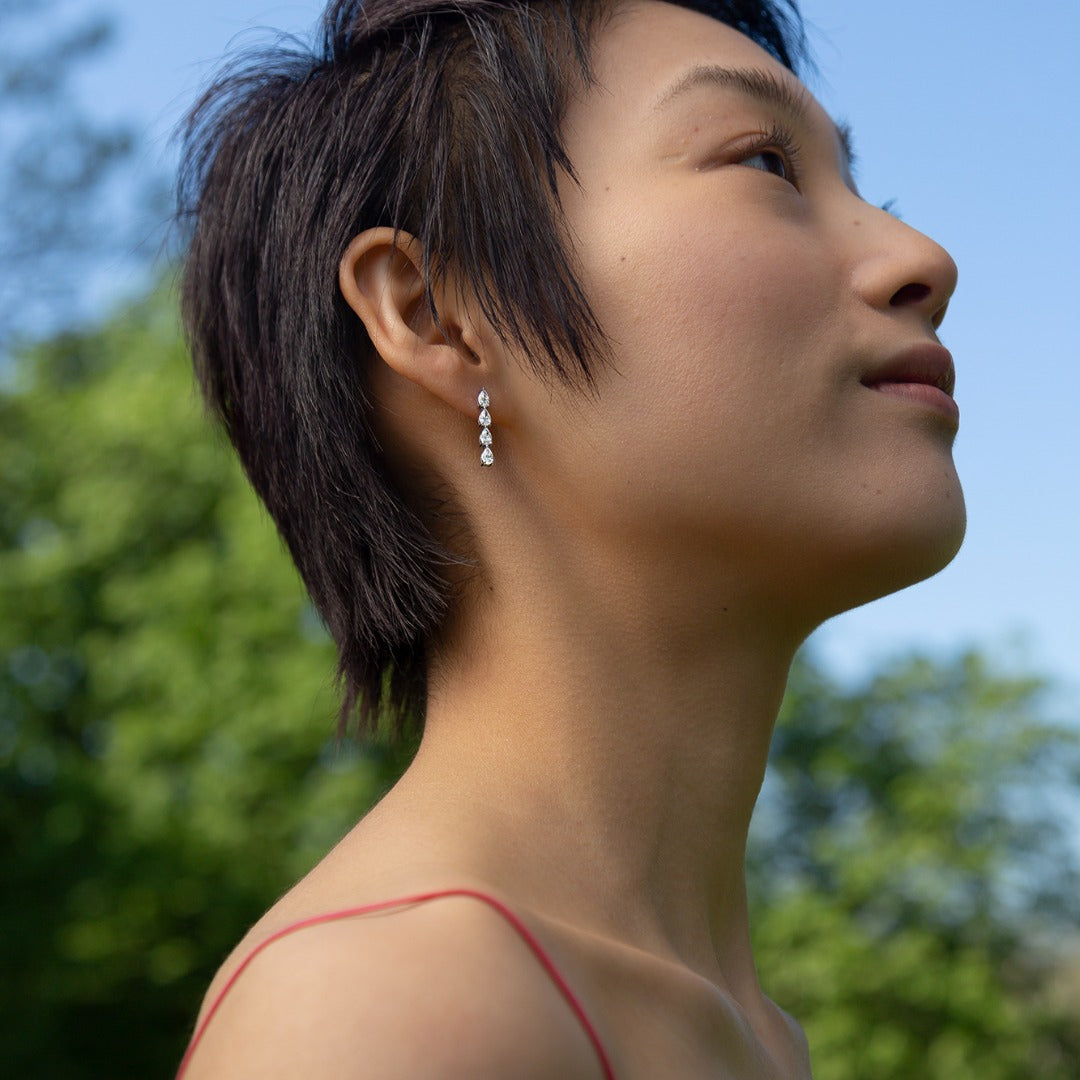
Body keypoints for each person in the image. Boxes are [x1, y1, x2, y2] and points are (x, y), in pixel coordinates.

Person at [174, 0, 963, 1075]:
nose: (922, 258)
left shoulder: (756, 1037)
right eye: (767, 165)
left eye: (863, 187)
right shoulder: (388, 1013)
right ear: (435, 315)